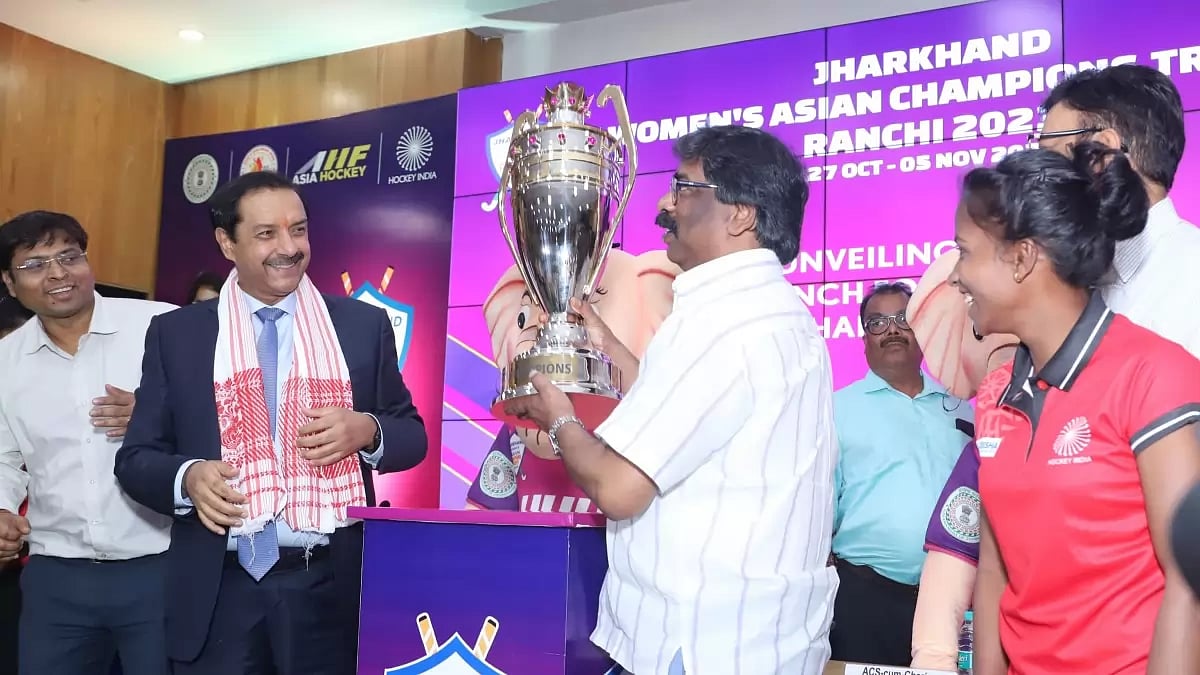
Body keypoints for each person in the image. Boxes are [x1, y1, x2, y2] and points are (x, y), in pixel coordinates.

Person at [503, 125, 838, 675]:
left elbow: (618, 489)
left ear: (740, 215)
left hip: (699, 645)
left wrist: (559, 418)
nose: (665, 203)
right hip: (749, 642)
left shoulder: (722, 321)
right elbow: (690, 420)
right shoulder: (770, 310)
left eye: (684, 187)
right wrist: (608, 348)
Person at [912, 63, 1200, 670]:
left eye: (1047, 144)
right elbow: (999, 547)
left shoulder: (1170, 333)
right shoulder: (1014, 362)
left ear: (1102, 153)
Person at [114, 171, 429, 674]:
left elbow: (411, 435)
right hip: (218, 589)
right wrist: (188, 478)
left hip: (326, 584)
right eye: (266, 234)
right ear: (226, 243)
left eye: (298, 229)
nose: (289, 247)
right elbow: (135, 460)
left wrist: (367, 430)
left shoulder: (360, 325)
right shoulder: (179, 334)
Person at [0, 211, 177, 675]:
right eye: (35, 265)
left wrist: (154, 415)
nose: (58, 274)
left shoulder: (163, 327)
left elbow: (228, 418)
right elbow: (4, 459)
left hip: (162, 566)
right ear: (9, 282)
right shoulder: (5, 362)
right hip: (56, 578)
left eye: (68, 257)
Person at [829, 282, 972, 666]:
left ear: (921, 330)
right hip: (864, 599)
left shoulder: (963, 408)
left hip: (956, 603)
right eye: (877, 322)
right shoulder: (834, 410)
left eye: (903, 319)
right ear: (863, 339)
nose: (892, 329)